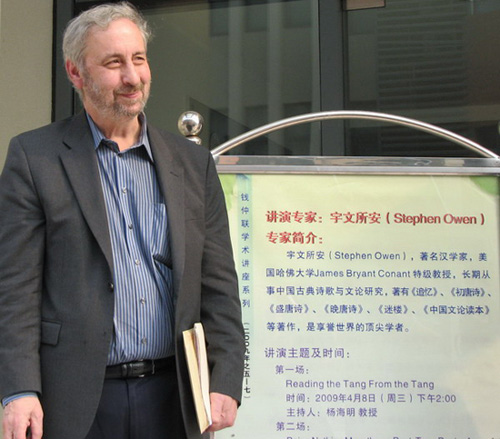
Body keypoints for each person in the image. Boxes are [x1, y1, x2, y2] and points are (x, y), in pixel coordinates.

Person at [0, 2, 244, 439]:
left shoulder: (192, 164)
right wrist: (18, 389)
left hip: (175, 398)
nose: (132, 77)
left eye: (139, 59)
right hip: (75, 399)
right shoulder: (35, 158)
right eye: (114, 63)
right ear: (76, 73)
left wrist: (224, 375)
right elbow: (15, 287)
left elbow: (218, 284)